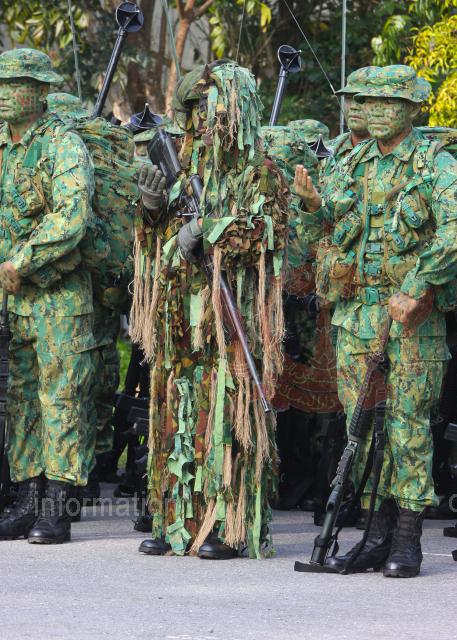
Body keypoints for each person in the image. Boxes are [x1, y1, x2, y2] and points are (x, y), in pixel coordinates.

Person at [294, 64, 457, 577]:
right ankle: (375, 534)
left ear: (412, 108)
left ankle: (407, 539)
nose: (374, 111)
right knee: (361, 427)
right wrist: (313, 205)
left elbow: (453, 230)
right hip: (356, 314)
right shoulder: (351, 160)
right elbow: (324, 227)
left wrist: (419, 285)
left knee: (408, 425)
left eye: (387, 103)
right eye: (366, 102)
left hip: (410, 318)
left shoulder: (435, 163)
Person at [132, 61, 288, 559]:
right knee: (175, 418)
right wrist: (152, 207)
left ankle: (229, 526)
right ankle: (175, 521)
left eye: (211, 107)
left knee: (225, 423)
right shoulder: (184, 165)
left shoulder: (260, 172)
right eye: (196, 108)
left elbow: (266, 234)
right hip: (180, 317)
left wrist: (210, 229)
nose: (203, 118)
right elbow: (157, 239)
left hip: (228, 318)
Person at [0, 49, 96, 543]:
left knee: (61, 398)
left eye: (12, 85)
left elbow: (71, 216)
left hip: (59, 296)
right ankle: (26, 501)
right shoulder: (3, 147)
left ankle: (58, 507)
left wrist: (22, 260)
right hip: (14, 299)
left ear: (39, 91)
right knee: (21, 400)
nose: (2, 94)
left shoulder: (63, 144)